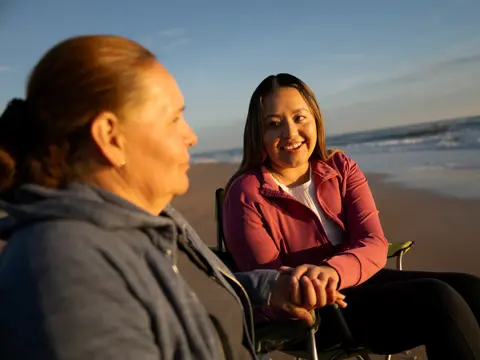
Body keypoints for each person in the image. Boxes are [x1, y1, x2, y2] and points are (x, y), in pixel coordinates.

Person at [0, 37, 342, 360]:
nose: (191, 136)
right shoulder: (65, 275)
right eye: (174, 118)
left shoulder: (151, 221)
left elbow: (185, 293)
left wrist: (270, 286)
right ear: (110, 137)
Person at [222, 73, 480, 359]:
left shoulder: (340, 168)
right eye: (274, 124)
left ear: (316, 120)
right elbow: (268, 287)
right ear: (258, 134)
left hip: (354, 281)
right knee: (438, 302)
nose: (290, 133)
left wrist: (332, 272)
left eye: (299, 118)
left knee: (472, 289)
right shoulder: (246, 193)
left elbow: (373, 241)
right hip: (311, 316)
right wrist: (311, 287)